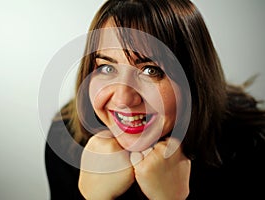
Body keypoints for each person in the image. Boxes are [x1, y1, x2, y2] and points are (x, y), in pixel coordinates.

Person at [45, 0, 265, 199]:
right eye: (107, 67)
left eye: (150, 71)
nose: (123, 98)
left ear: (193, 78)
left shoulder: (250, 146)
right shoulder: (66, 136)